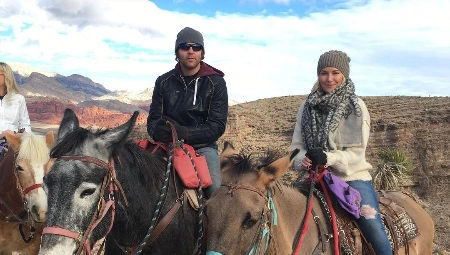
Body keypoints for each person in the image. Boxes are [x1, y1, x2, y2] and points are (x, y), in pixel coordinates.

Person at [290, 50, 392, 254]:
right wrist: (305, 158)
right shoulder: (307, 106)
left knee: (371, 224)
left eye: (335, 73)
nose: (329, 79)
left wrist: (328, 158)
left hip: (351, 177)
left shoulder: (356, 107)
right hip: (315, 177)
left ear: (344, 74)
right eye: (324, 73)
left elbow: (356, 153)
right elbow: (296, 148)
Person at [147, 27, 228, 198]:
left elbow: (217, 126)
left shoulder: (216, 82)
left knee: (214, 195)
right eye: (184, 46)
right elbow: (153, 119)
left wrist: (185, 133)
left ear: (202, 52)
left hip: (203, 147)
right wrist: (156, 131)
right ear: (177, 52)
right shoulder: (163, 82)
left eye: (196, 47)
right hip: (168, 145)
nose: (190, 51)